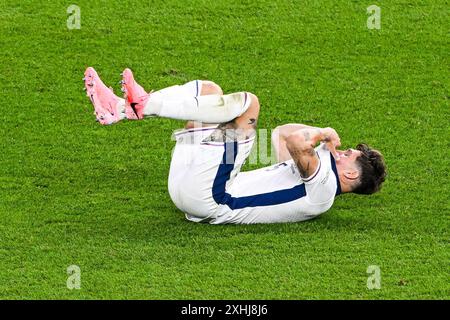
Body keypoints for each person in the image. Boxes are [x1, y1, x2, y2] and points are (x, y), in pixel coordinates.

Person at [83, 67, 386, 224]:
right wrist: (321, 139)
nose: (342, 152)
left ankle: (143, 106)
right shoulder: (317, 178)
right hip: (188, 191)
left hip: (210, 199)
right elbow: (281, 134)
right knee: (208, 91)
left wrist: (322, 132)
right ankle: (121, 109)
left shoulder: (324, 190)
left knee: (248, 105)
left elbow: (295, 141)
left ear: (350, 176)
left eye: (348, 155)